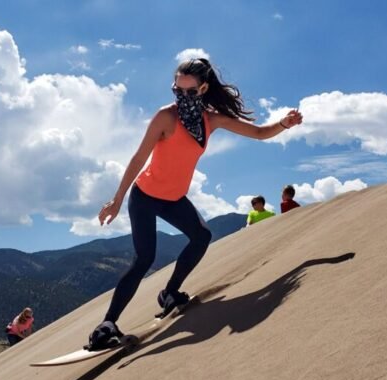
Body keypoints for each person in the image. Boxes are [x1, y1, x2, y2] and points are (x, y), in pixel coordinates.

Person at [88, 58, 303, 350]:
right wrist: (117, 199)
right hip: (145, 196)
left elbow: (260, 133)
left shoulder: (211, 120)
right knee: (144, 258)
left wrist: (284, 124)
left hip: (174, 199)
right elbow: (139, 158)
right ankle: (106, 325)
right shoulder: (166, 117)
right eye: (177, 90)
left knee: (202, 237)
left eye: (190, 92)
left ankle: (169, 294)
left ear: (203, 88)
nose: (182, 97)